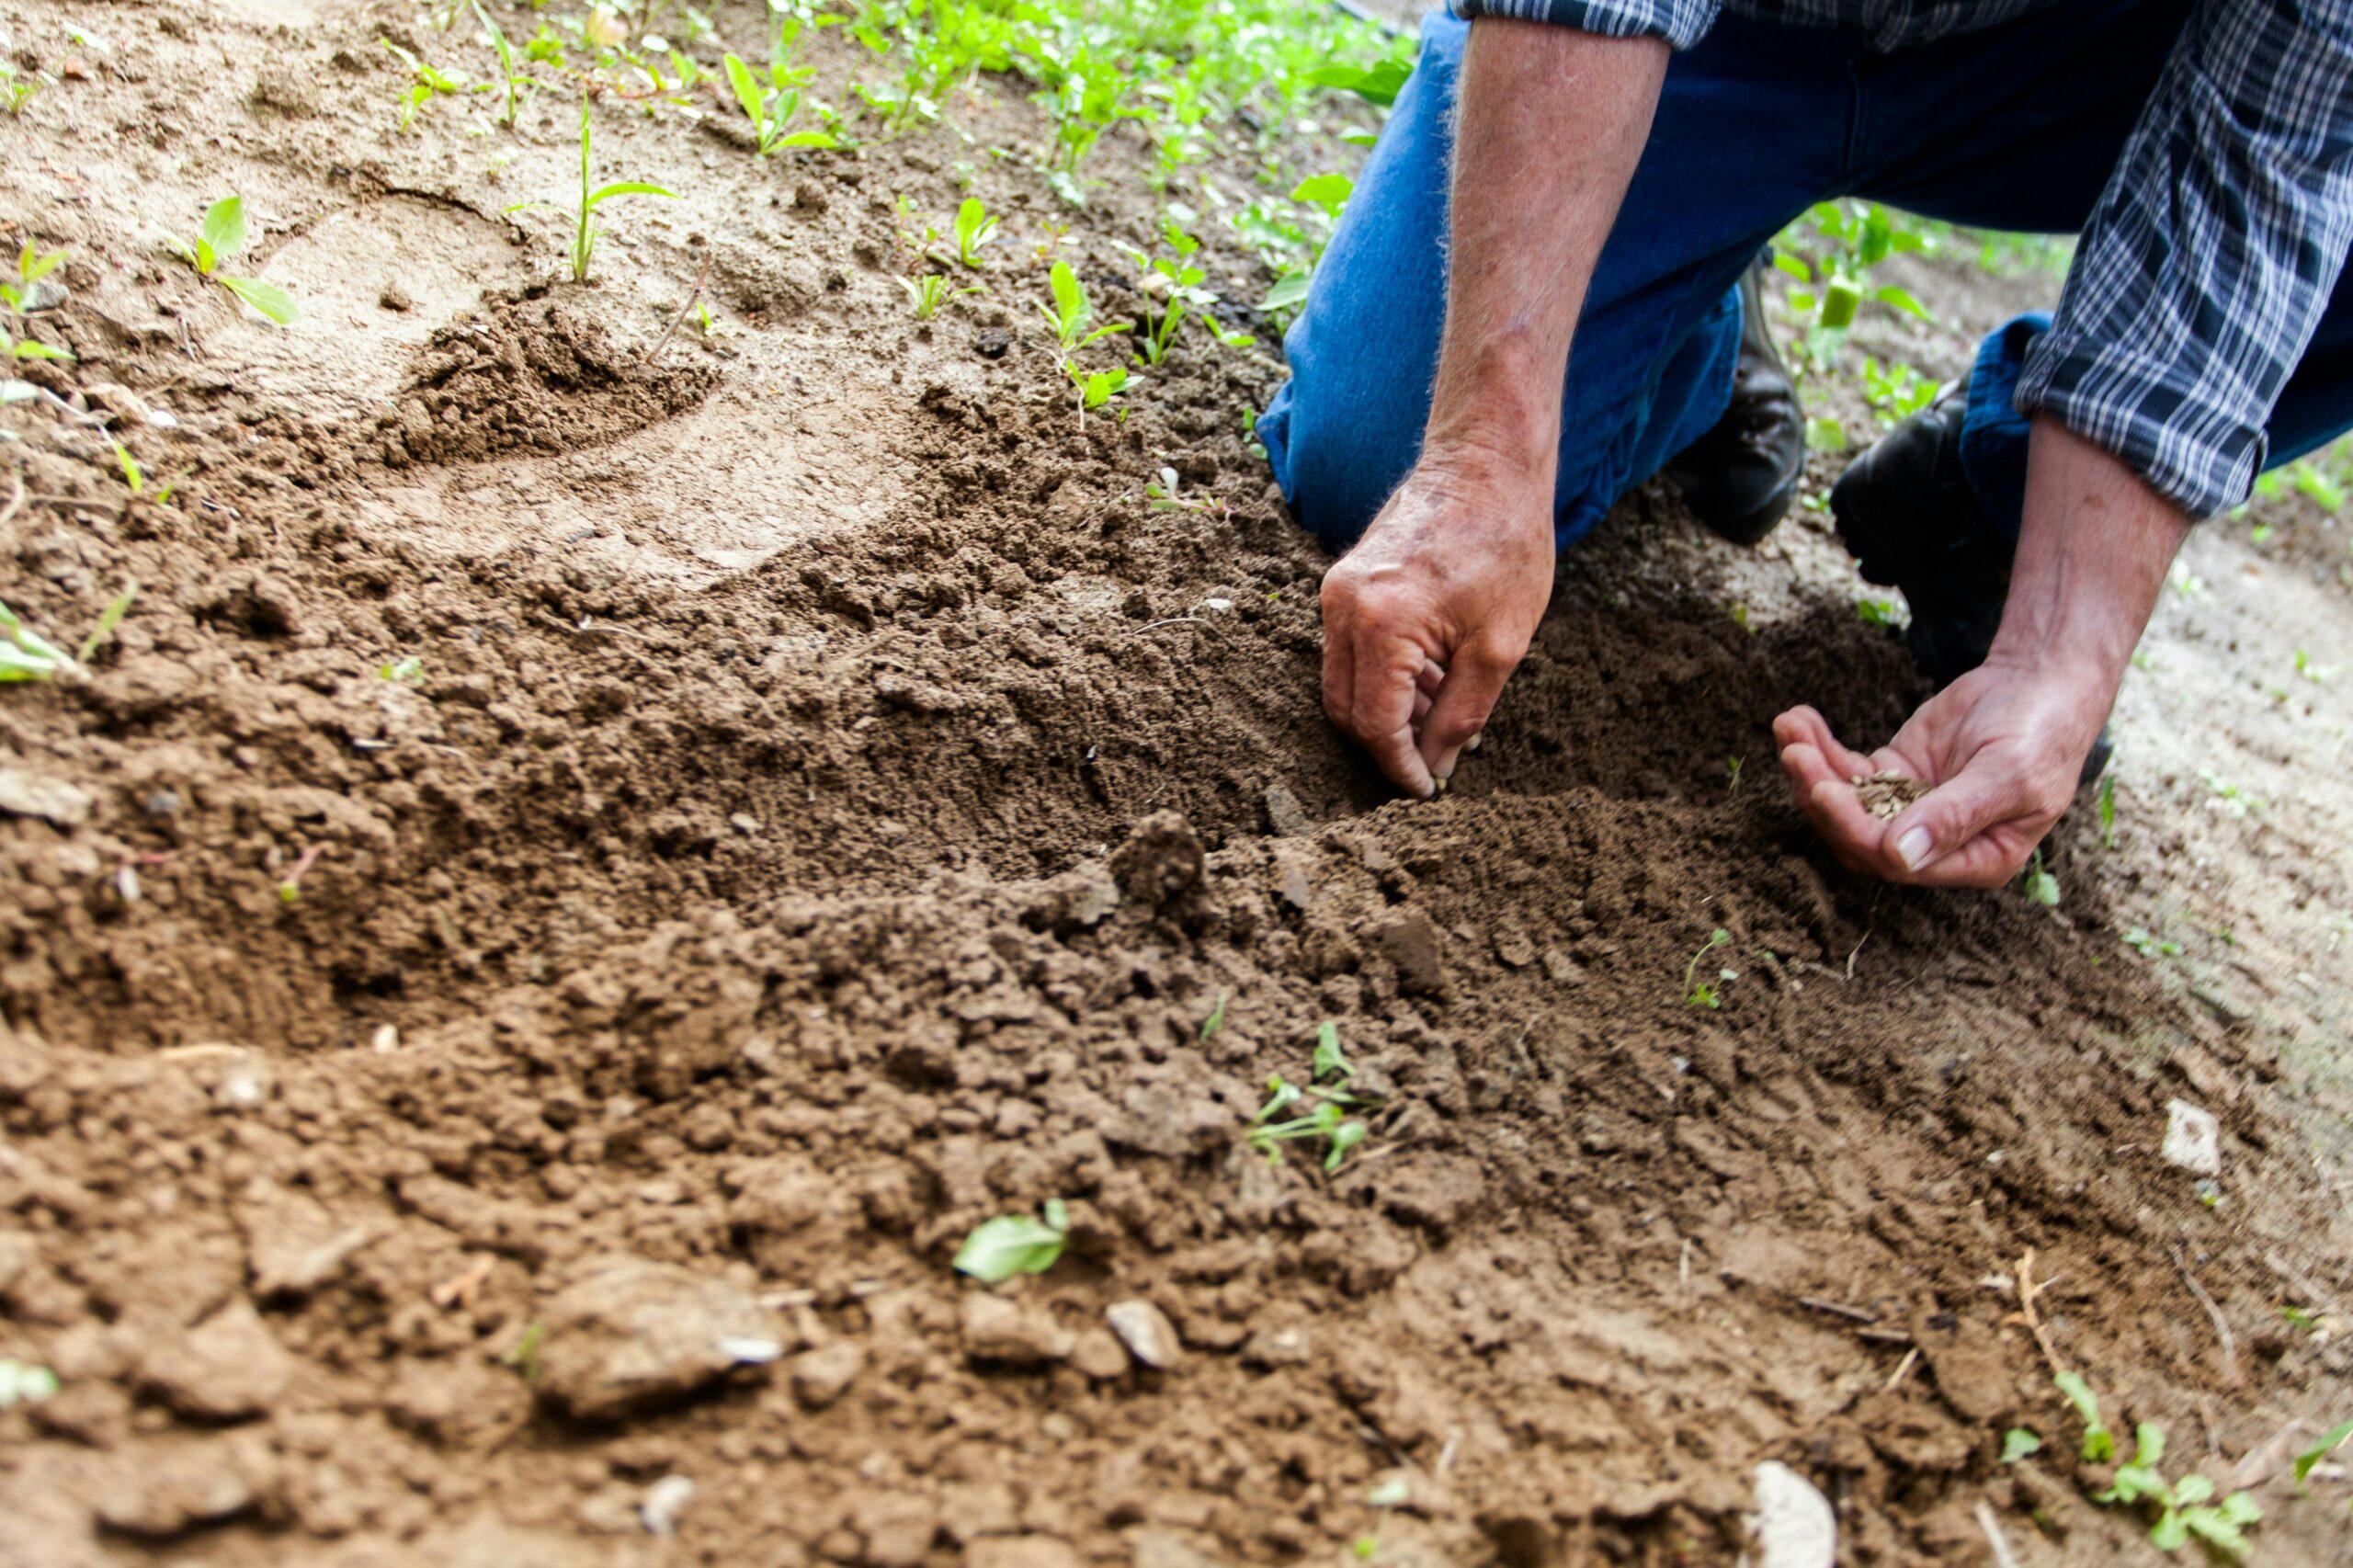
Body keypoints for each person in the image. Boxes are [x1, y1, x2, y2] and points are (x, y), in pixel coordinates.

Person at [1257, 0, 2353, 887]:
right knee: (1379, 459)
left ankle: (1998, 502)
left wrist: (2059, 653)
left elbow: (2274, 152)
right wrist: (1481, 457)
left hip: (2071, 64)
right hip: (1722, 33)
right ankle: (1694, 318)